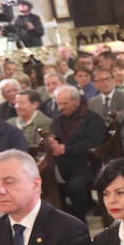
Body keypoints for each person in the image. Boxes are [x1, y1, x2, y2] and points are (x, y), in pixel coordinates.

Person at [47, 86, 108, 218]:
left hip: (87, 164)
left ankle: (79, 218)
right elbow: (54, 137)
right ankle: (65, 216)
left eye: (65, 103)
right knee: (46, 184)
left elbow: (94, 143)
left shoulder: (93, 119)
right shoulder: (59, 119)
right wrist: (52, 142)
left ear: (77, 101)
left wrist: (65, 149)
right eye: (59, 103)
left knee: (74, 187)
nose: (61, 107)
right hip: (62, 165)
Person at [90, 68, 124, 155]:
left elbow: (123, 118)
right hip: (101, 141)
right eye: (100, 80)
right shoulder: (92, 102)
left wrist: (104, 119)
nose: (105, 83)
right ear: (95, 84)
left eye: (107, 79)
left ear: (114, 80)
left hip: (123, 141)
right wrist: (114, 115)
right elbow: (94, 123)